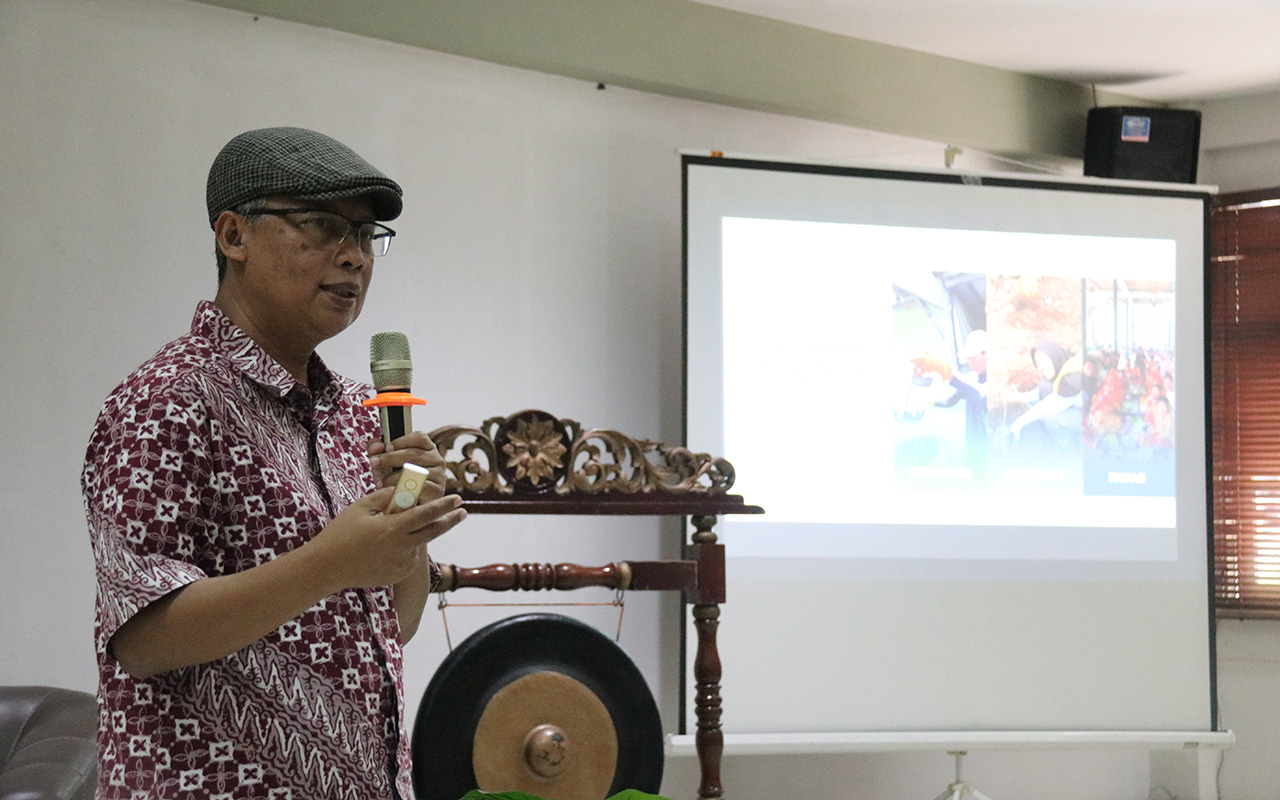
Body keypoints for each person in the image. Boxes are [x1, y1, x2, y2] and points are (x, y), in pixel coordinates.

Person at [81, 127, 467, 799]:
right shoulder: (167, 400)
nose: (354, 256)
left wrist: (408, 531)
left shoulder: (357, 411)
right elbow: (142, 637)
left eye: (365, 234)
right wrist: (331, 562)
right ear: (234, 236)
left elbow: (393, 625)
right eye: (323, 226)